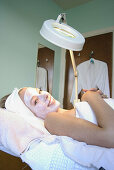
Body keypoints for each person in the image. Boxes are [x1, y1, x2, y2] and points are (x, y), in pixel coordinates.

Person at [1, 87, 114, 148]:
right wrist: (90, 97)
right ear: (31, 116)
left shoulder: (71, 112)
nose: (44, 95)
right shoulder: (52, 121)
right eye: (35, 101)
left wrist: (100, 101)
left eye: (39, 90)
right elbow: (111, 136)